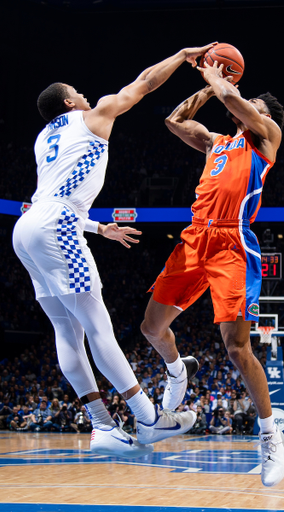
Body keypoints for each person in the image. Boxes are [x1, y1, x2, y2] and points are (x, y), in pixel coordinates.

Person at [12, 43, 215, 458]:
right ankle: (147, 417)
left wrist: (99, 226)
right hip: (57, 225)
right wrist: (180, 57)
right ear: (69, 102)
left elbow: (52, 198)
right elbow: (143, 85)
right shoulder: (92, 115)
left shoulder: (42, 138)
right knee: (98, 326)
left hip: (27, 229)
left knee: (66, 331)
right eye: (78, 92)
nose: (86, 95)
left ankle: (103, 424)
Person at [140, 60, 284, 486]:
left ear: (264, 117)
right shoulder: (216, 143)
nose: (244, 105)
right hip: (193, 239)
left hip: (232, 244)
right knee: (151, 327)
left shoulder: (267, 138)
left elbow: (232, 100)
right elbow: (174, 120)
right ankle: (176, 369)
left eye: (253, 104)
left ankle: (270, 434)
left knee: (237, 348)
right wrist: (207, 86)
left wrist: (219, 78)